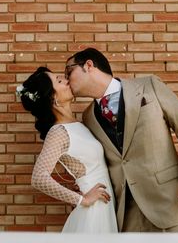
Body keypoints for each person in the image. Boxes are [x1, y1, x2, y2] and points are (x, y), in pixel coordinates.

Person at [65, 48, 178, 232]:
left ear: (89, 65)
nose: (67, 80)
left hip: (169, 200)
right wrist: (84, 185)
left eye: (69, 72)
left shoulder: (149, 85)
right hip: (125, 212)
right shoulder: (88, 117)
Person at [17, 66, 117, 233]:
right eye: (59, 80)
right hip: (94, 210)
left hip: (105, 204)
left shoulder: (79, 124)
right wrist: (81, 199)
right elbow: (38, 178)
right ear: (53, 98)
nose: (65, 80)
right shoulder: (59, 132)